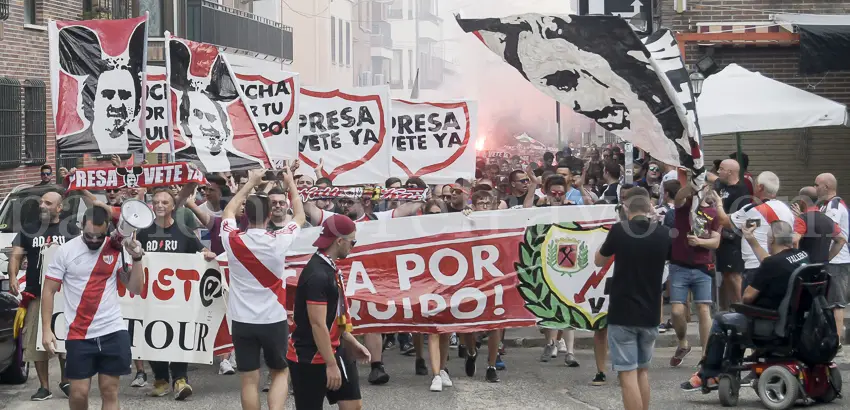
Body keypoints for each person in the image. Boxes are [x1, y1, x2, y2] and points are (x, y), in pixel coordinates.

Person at [681, 221, 808, 391]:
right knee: (736, 320)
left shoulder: (772, 265)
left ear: (772, 241)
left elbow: (747, 297)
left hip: (771, 322)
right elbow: (773, 263)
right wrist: (751, 240)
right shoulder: (802, 256)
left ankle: (709, 373)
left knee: (722, 319)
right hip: (798, 321)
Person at [41, 206, 145, 410]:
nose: (95, 241)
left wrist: (137, 257)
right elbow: (49, 291)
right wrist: (46, 329)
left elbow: (136, 288)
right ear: (81, 226)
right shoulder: (66, 251)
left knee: (110, 390)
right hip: (79, 334)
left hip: (112, 330)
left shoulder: (117, 248)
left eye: (100, 236)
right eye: (90, 236)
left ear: (107, 229)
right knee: (78, 394)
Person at [221, 168, 305, 410]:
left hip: (242, 320)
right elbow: (298, 216)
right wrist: (290, 184)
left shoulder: (232, 239)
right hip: (273, 319)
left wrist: (250, 184)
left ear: (244, 214)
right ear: (270, 215)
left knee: (249, 378)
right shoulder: (280, 239)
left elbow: (228, 210)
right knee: (280, 371)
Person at [135, 188, 217, 400]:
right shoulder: (143, 232)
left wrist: (207, 254)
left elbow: (200, 252)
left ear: (173, 206)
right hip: (151, 297)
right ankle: (160, 380)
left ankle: (180, 379)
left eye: (165, 202)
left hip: (179, 298)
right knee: (153, 334)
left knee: (179, 334)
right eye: (156, 202)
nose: (160, 205)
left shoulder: (185, 231)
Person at [595, 187, 670, 410]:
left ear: (625, 206)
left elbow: (599, 260)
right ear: (649, 206)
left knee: (627, 374)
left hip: (623, 310)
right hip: (650, 311)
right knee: (642, 371)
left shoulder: (619, 230)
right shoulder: (664, 232)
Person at [287, 214, 371, 409]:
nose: (353, 246)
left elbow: (335, 315)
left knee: (353, 405)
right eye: (353, 242)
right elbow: (317, 324)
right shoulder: (317, 274)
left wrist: (351, 340)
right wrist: (331, 364)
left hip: (335, 348)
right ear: (340, 241)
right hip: (310, 355)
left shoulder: (329, 268)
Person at [9, 191, 78, 401]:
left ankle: (66, 380)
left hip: (64, 295)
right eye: (41, 202)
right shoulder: (28, 229)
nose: (42, 206)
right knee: (35, 342)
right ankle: (44, 387)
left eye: (48, 203)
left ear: (59, 208)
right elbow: (16, 254)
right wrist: (13, 276)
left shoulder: (71, 230)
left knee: (65, 341)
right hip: (36, 294)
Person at [712, 171, 795, 293]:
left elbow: (724, 221)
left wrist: (718, 204)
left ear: (760, 187)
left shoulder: (752, 209)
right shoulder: (785, 207)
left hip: (756, 265)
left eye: (756, 184)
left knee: (751, 307)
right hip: (780, 263)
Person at [668, 185, 721, 368]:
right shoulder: (685, 206)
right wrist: (692, 184)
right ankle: (683, 342)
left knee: (704, 309)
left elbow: (715, 242)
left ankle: (705, 354)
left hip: (702, 266)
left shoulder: (713, 213)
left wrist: (700, 241)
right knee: (676, 310)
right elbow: (678, 197)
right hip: (679, 265)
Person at [815, 173, 850, 353]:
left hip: (837, 261)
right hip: (831, 260)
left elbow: (829, 231)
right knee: (829, 302)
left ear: (826, 187)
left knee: (837, 303)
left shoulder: (834, 206)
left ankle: (836, 343)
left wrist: (826, 257)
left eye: (817, 185)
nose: (815, 189)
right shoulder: (826, 206)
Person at [710, 159, 751, 309]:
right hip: (721, 239)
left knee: (734, 275)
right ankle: (731, 307)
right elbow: (711, 178)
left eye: (721, 169)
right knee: (726, 275)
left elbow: (739, 218)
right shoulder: (721, 186)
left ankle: (744, 306)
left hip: (733, 238)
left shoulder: (741, 191)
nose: (718, 171)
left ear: (730, 172)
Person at [792, 186, 845, 264]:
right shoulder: (828, 220)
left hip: (804, 269)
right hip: (822, 268)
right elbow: (841, 240)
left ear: (802, 201)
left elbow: (795, 240)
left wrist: (796, 261)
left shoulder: (802, 219)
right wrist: (827, 259)